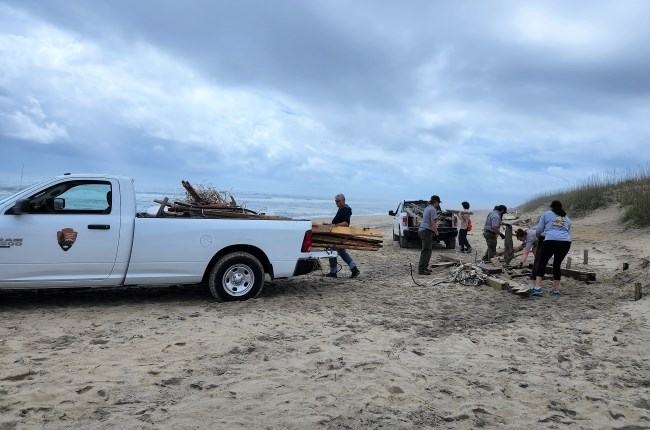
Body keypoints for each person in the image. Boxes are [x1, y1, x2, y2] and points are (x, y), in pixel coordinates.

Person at [532, 200, 572, 296]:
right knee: (557, 264)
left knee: (542, 263)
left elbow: (539, 229)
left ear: (551, 207)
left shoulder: (546, 214)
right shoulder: (567, 218)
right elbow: (567, 232)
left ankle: (537, 288)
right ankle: (556, 290)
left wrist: (539, 237)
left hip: (550, 241)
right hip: (565, 242)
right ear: (561, 207)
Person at [325, 193, 361, 278]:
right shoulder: (341, 209)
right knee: (340, 252)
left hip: (340, 235)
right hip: (337, 235)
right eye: (335, 201)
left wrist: (335, 225)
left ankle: (335, 272)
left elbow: (346, 223)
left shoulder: (345, 209)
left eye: (338, 201)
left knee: (333, 252)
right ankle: (353, 270)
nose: (336, 202)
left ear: (343, 200)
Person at [417, 195, 441, 275]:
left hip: (422, 229)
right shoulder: (433, 209)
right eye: (438, 203)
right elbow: (433, 222)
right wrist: (437, 233)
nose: (438, 204)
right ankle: (421, 269)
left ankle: (425, 267)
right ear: (436, 202)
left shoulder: (427, 208)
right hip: (426, 230)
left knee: (428, 250)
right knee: (426, 250)